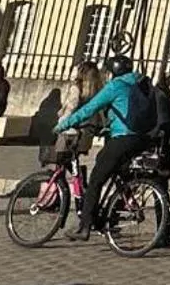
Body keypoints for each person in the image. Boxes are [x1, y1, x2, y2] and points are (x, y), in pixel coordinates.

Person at [53, 53, 154, 241]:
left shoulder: (116, 86)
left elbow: (89, 108)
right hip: (142, 138)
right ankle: (112, 215)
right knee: (116, 170)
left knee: (96, 179)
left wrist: (64, 125)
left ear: (112, 72)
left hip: (122, 138)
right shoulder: (141, 84)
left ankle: (84, 226)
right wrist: (106, 129)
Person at [54, 60, 104, 161]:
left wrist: (62, 122)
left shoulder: (77, 88)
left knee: (62, 157)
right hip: (90, 127)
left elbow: (71, 106)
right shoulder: (99, 90)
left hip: (74, 127)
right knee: (77, 155)